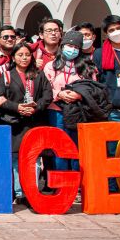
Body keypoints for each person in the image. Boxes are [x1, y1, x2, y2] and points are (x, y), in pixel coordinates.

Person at [0, 41, 52, 200]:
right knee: (15, 158)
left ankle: (31, 191)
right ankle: (19, 192)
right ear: (13, 57)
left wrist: (36, 107)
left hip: (34, 121)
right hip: (15, 123)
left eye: (27, 55)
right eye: (20, 55)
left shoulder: (38, 74)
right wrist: (18, 107)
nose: (24, 58)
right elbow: (0, 99)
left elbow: (48, 96)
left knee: (33, 157)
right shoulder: (7, 75)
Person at [42, 31, 85, 171]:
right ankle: (62, 183)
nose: (72, 49)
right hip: (56, 111)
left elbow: (92, 88)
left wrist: (79, 95)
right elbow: (45, 88)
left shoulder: (86, 67)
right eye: (69, 45)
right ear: (62, 46)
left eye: (76, 47)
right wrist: (59, 94)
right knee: (59, 147)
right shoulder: (51, 66)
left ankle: (77, 182)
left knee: (76, 147)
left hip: (78, 111)